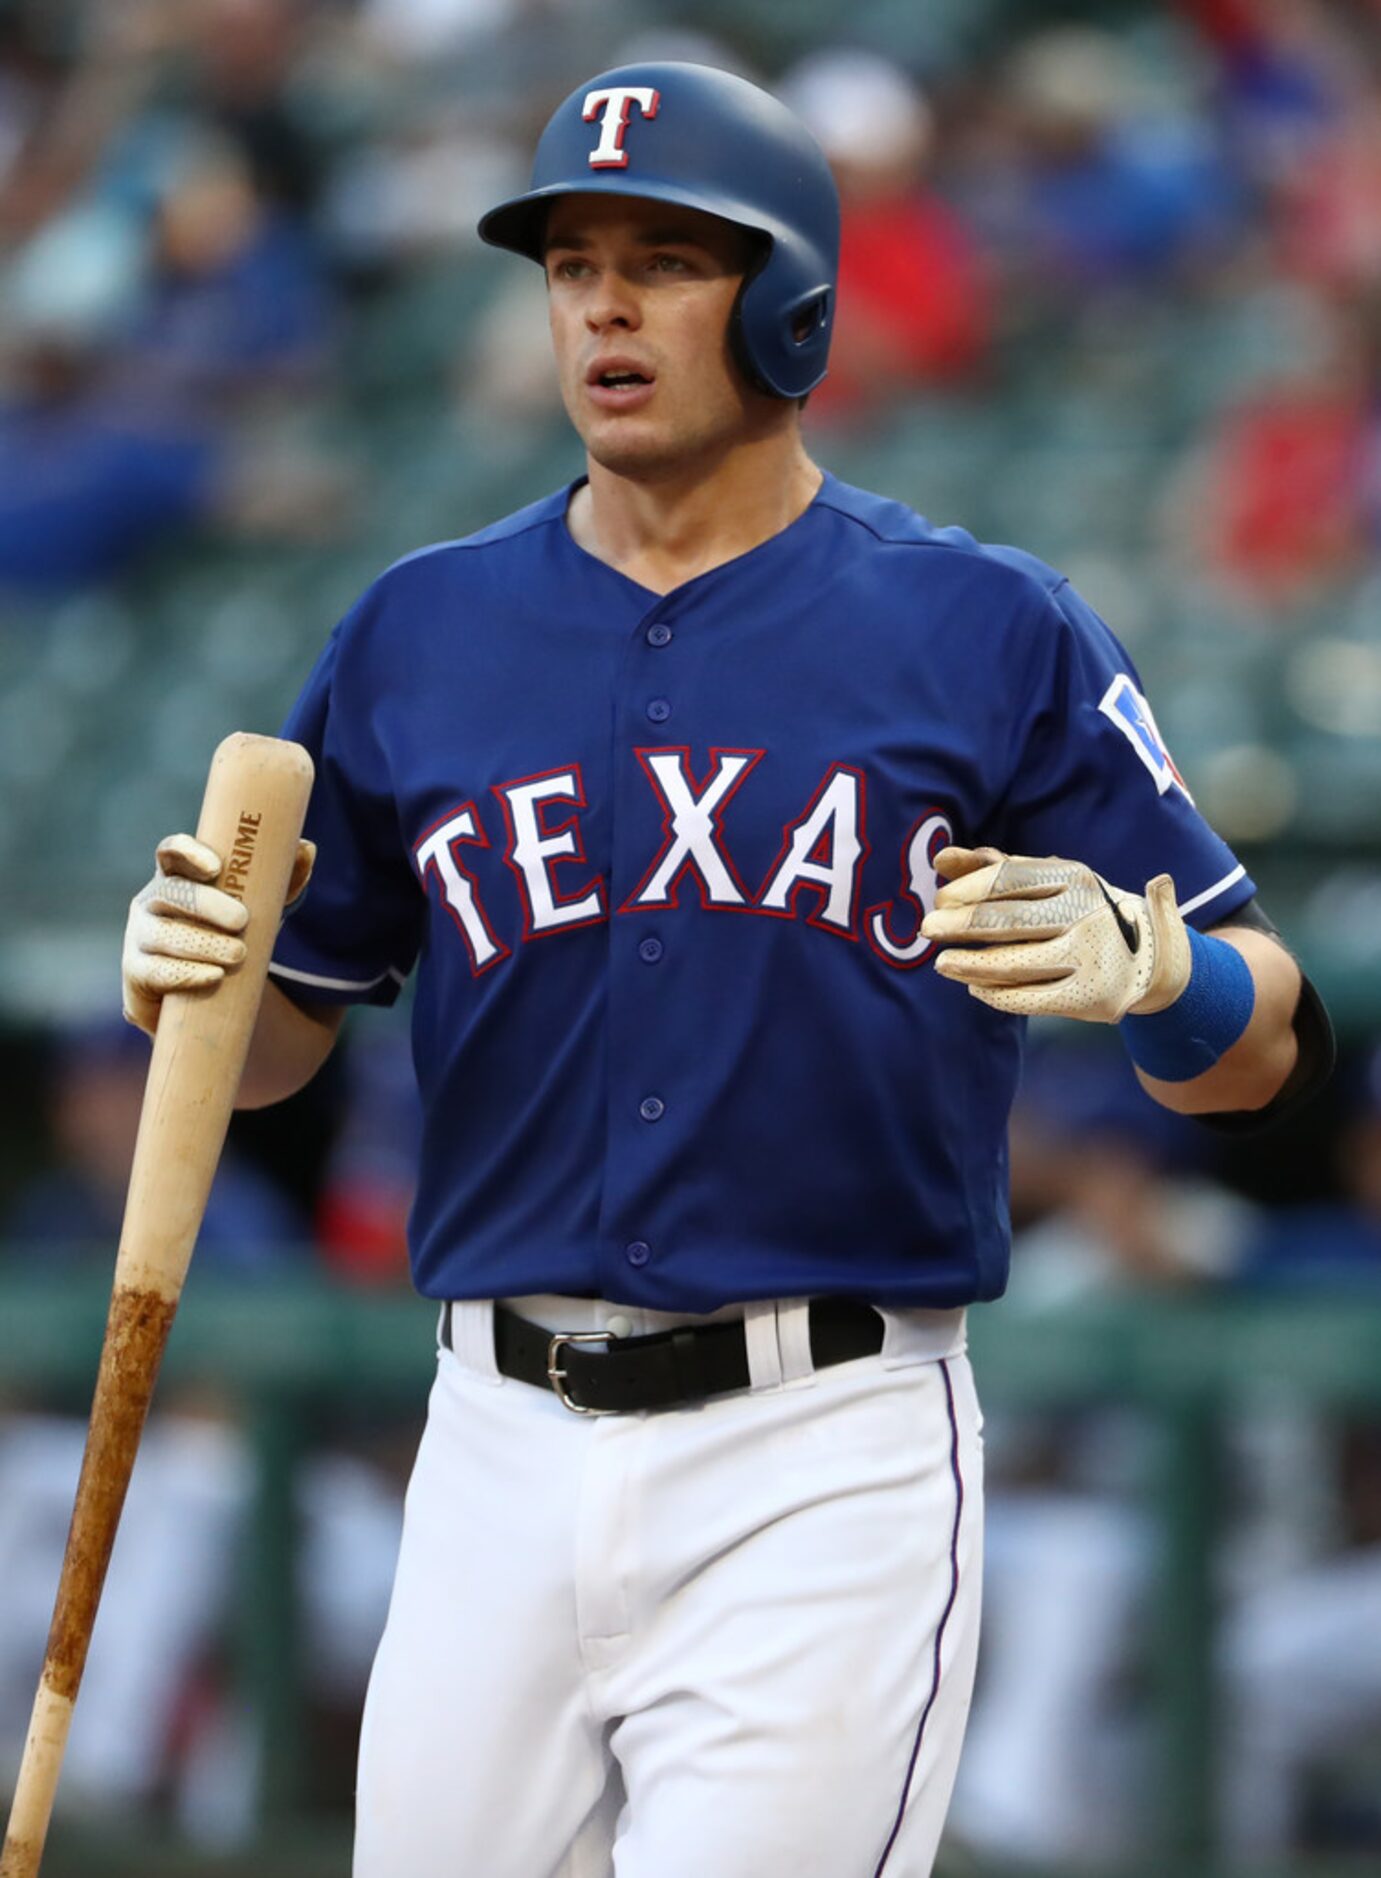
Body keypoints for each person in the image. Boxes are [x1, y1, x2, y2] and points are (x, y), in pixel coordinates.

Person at [118, 61, 1332, 1878]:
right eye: (568, 261)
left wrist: (1156, 971)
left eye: (665, 258)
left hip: (822, 1447)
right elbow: (280, 1038)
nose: (601, 302)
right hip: (492, 1442)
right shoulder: (417, 629)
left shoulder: (979, 623)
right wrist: (194, 984)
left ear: (789, 305)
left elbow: (1271, 1032)